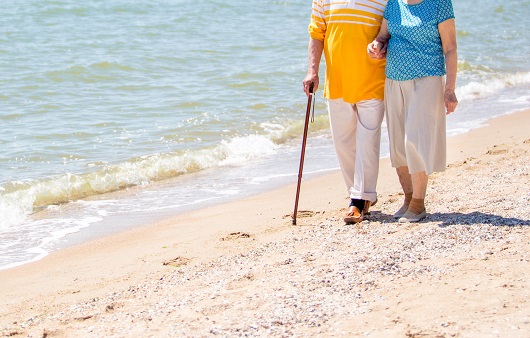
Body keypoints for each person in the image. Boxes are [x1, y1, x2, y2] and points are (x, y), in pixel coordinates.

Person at [367, 0, 458, 222]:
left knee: (415, 139)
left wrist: (450, 89)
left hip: (427, 78)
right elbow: (383, 36)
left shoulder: (440, 3)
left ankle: (418, 203)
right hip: (394, 78)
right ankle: (408, 199)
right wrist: (376, 46)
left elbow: (450, 48)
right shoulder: (393, 4)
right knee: (398, 145)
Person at [303, 0, 388, 223]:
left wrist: (383, 43)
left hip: (373, 79)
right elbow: (317, 32)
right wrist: (313, 70)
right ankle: (359, 195)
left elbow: (392, 30)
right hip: (337, 81)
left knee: (367, 140)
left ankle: (358, 200)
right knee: (343, 142)